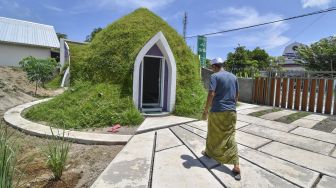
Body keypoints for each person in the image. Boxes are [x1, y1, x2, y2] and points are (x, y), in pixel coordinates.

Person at [202, 57, 241, 180]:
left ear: (214, 66)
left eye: (211, 67)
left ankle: (209, 153)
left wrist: (206, 110)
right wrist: (232, 106)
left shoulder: (215, 76)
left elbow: (211, 94)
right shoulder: (234, 77)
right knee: (230, 135)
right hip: (231, 111)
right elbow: (236, 95)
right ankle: (236, 165)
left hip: (217, 111)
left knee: (212, 133)